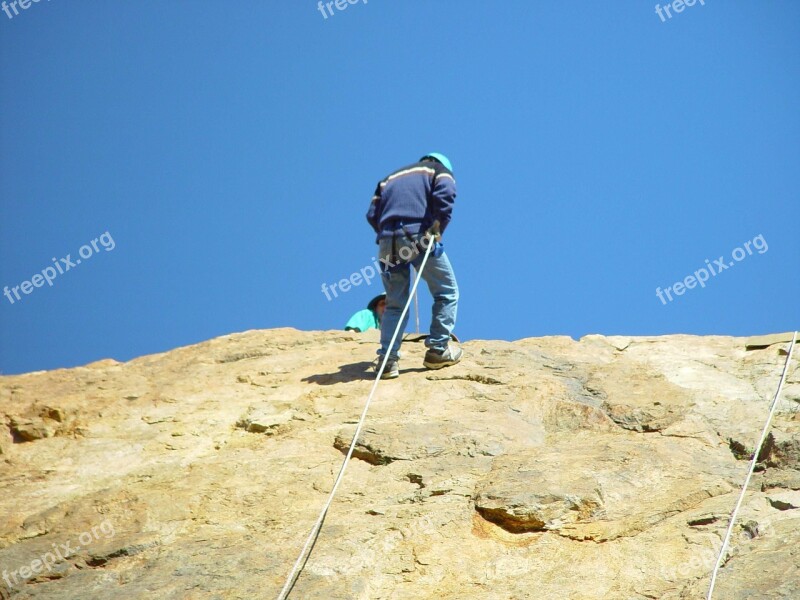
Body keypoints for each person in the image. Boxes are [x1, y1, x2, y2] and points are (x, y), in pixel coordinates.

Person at [366, 152, 462, 379]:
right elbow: (446, 193)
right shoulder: (438, 172)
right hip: (418, 236)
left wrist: (388, 234)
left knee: (395, 305)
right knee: (447, 292)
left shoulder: (389, 178)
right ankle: (438, 349)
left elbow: (372, 213)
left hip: (387, 243)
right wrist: (437, 227)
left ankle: (387, 361)